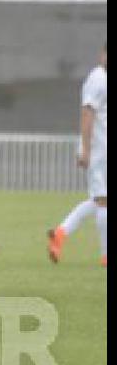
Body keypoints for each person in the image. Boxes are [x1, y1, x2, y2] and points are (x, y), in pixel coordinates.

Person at [47, 43, 107, 266]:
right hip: (100, 151)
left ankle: (60, 233)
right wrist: (86, 149)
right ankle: (105, 255)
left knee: (99, 199)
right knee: (102, 201)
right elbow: (87, 113)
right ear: (103, 54)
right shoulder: (98, 78)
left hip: (102, 149)